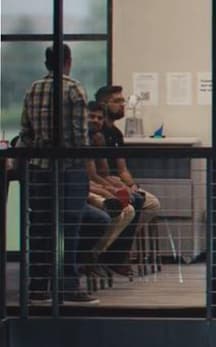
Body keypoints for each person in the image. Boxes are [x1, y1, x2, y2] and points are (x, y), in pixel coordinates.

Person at [19, 44, 109, 304]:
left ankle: (37, 287)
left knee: (39, 227)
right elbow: (80, 134)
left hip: (38, 166)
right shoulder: (73, 88)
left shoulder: (33, 89)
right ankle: (68, 286)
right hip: (69, 167)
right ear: (68, 61)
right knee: (70, 228)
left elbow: (26, 132)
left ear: (46, 62)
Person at [88, 86, 162, 277]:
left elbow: (122, 168)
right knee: (131, 204)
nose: (123, 105)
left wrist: (131, 185)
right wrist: (112, 187)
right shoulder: (94, 134)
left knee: (151, 203)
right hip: (97, 185)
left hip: (110, 182)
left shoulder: (116, 134)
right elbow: (95, 173)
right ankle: (113, 255)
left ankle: (117, 246)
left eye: (123, 101)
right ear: (105, 104)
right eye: (118, 101)